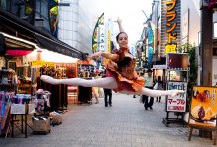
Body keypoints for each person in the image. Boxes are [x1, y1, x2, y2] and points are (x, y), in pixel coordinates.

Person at [40, 18, 184, 98]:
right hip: (117, 81)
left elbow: (122, 33)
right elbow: (111, 55)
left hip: (130, 81)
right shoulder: (119, 54)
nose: (123, 39)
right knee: (88, 83)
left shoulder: (127, 50)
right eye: (121, 38)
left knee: (149, 92)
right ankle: (56, 80)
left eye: (125, 38)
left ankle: (170, 92)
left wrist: (121, 23)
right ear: (118, 41)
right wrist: (100, 53)